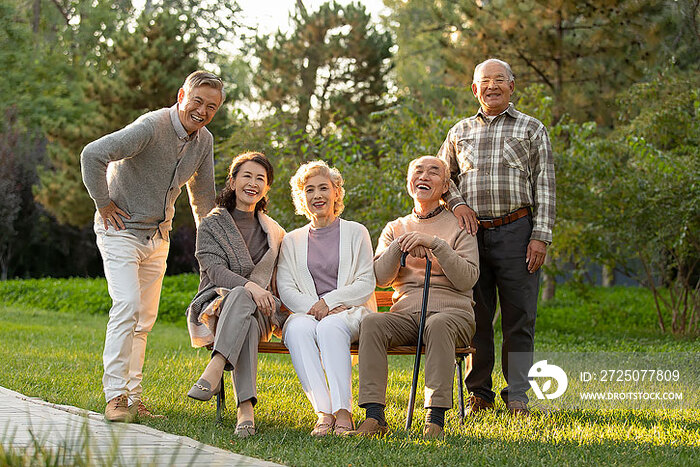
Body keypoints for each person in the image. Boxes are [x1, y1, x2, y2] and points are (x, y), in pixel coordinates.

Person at [81, 70, 225, 422]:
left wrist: (214, 243)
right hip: (120, 230)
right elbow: (92, 154)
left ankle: (133, 397)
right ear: (181, 96)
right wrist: (103, 203)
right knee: (127, 306)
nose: (202, 111)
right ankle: (114, 397)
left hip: (157, 237)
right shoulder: (150, 127)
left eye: (211, 106)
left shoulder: (203, 141)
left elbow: (203, 197)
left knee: (144, 321)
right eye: (197, 101)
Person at [437, 58, 556, 416]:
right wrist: (457, 204)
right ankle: (479, 393)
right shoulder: (459, 131)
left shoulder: (532, 129)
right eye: (484, 81)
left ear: (512, 86)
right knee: (476, 315)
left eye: (499, 80)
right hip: (470, 235)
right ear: (474, 89)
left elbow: (545, 185)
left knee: (520, 316)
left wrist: (541, 236)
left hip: (518, 232)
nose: (492, 86)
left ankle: (517, 393)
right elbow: (443, 177)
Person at [347, 156, 479, 440]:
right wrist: (399, 247)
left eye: (434, 172)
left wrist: (436, 246)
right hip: (406, 315)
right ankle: (374, 417)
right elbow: (380, 278)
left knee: (439, 324)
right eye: (418, 171)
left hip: (453, 315)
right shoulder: (395, 227)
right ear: (409, 183)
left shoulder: (460, 225)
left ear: (445, 186)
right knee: (372, 324)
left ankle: (434, 420)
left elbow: (468, 278)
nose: (425, 176)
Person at [186, 152, 286, 438]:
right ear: (232, 181)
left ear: (266, 188)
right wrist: (251, 287)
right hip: (216, 307)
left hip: (264, 310)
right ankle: (245, 409)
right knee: (243, 299)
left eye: (260, 179)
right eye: (247, 176)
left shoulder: (275, 232)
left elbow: (283, 277)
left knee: (247, 303)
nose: (253, 183)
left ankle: (215, 368)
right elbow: (214, 271)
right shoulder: (211, 224)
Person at [276, 160, 377, 436]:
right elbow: (285, 287)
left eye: (324, 188)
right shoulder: (291, 240)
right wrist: (317, 308)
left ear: (336, 193)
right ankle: (324, 412)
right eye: (309, 190)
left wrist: (330, 303)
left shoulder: (357, 232)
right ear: (302, 197)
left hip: (352, 312)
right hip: (308, 314)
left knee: (331, 326)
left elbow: (366, 282)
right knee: (296, 329)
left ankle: (343, 411)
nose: (317, 195)